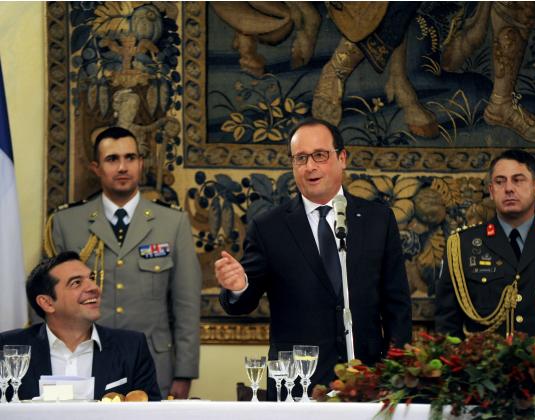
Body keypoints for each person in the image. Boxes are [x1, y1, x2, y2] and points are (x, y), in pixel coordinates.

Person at [215, 118, 412, 396]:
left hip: (368, 383)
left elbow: (397, 306)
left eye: (320, 155)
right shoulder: (269, 227)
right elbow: (242, 303)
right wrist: (238, 287)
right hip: (296, 387)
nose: (310, 167)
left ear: (342, 158)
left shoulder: (377, 220)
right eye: (301, 158)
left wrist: (396, 374)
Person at [44, 126, 201, 398]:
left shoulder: (172, 223)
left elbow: (186, 304)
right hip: (80, 362)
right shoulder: (65, 223)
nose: (122, 167)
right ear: (95, 167)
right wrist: (47, 361)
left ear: (141, 163)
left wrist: (184, 372)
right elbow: (46, 299)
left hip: (154, 363)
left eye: (130, 158)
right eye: (112, 159)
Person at [435, 149, 535, 345]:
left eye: (518, 180)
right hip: (486, 368)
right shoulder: (462, 245)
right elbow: (447, 324)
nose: (509, 188)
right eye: (500, 181)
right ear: (491, 190)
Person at [0, 251, 161, 401]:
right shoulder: (7, 347)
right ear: (47, 303)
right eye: (76, 283)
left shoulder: (132, 347)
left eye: (91, 278)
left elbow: (152, 413)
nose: (94, 288)